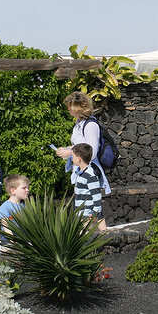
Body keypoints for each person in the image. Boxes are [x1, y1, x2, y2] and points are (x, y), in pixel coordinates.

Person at [55, 91, 111, 228]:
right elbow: (79, 145)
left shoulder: (90, 125)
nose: (68, 109)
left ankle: (101, 238)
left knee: (90, 207)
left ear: (77, 107)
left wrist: (70, 153)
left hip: (89, 170)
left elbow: (91, 151)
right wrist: (67, 150)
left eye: (70, 106)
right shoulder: (79, 124)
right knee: (84, 207)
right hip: (80, 170)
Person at [70, 143, 103, 226]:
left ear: (79, 159)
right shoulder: (80, 173)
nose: (72, 158)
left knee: (84, 236)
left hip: (86, 213)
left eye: (73, 156)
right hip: (80, 212)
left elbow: (96, 195)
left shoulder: (90, 175)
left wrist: (96, 213)